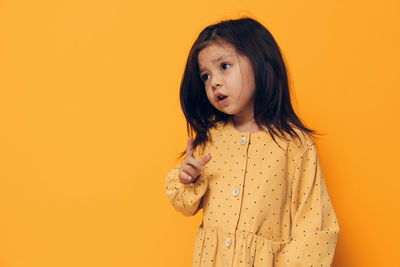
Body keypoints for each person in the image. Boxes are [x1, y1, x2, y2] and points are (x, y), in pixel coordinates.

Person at [164, 16, 340, 267]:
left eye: (224, 66)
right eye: (205, 76)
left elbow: (314, 227)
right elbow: (185, 205)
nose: (214, 82)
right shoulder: (210, 140)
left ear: (259, 62)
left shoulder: (294, 144)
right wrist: (187, 179)